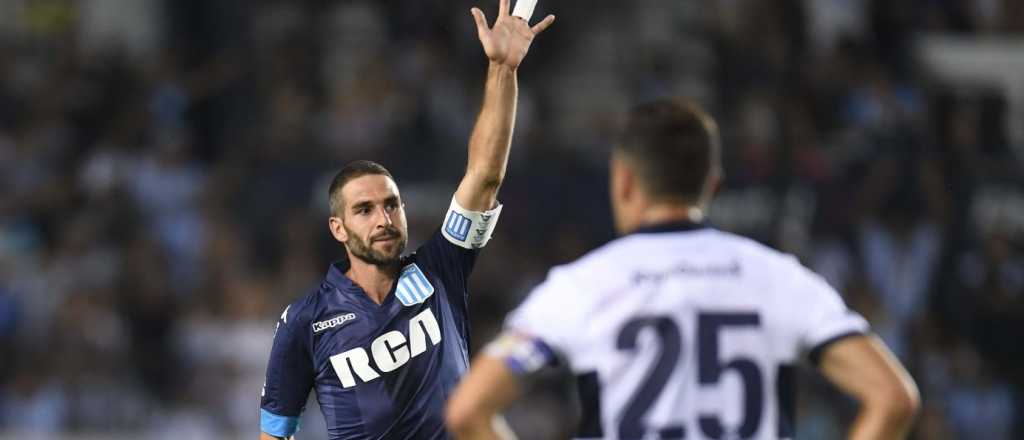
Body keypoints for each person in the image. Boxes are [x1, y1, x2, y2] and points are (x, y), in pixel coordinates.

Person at [445, 99, 921, 440]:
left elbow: (468, 410)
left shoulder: (580, 286)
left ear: (625, 181)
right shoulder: (779, 277)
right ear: (711, 184)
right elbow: (893, 398)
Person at [258, 2, 555, 439]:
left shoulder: (441, 268)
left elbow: (484, 176)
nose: (384, 218)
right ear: (337, 228)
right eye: (364, 209)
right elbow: (274, 434)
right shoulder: (305, 321)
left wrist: (502, 70)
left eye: (391, 204)